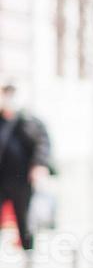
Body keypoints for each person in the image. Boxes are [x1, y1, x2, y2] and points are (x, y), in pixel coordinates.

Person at [0, 83, 55, 252]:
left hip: (22, 180)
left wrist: (39, 165)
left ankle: (28, 257)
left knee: (24, 218)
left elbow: (42, 144)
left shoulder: (29, 121)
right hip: (2, 178)